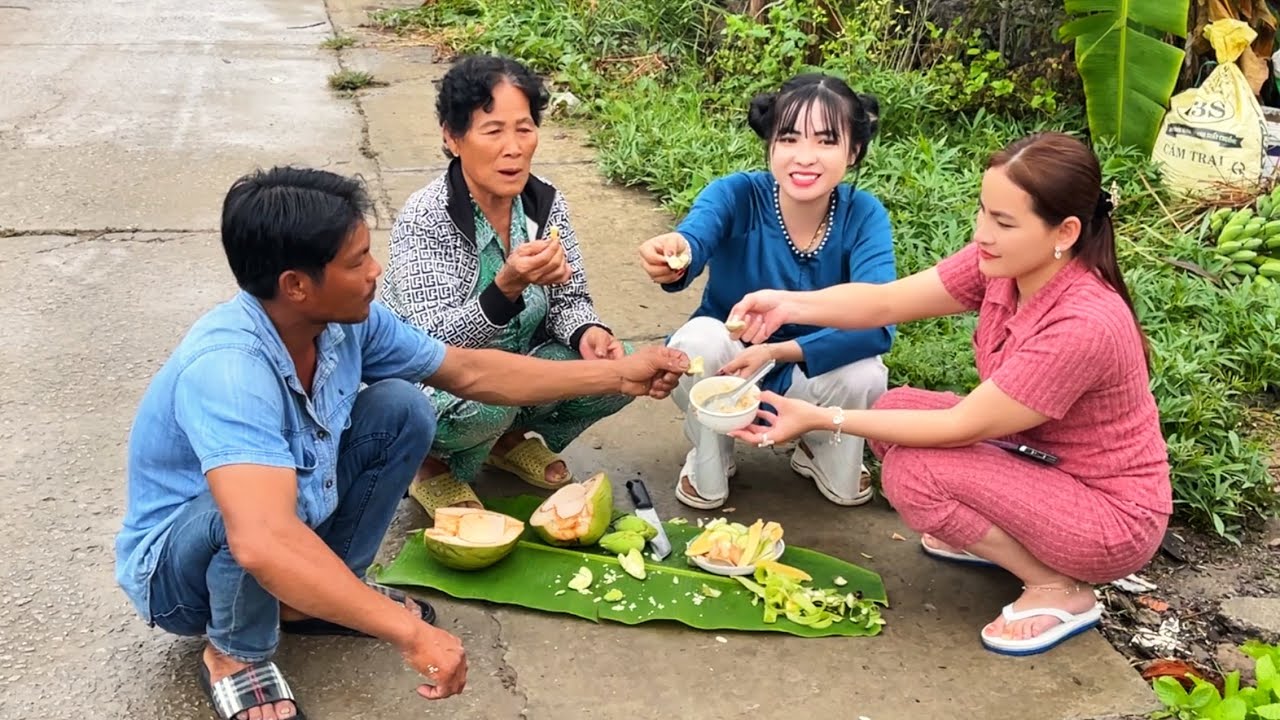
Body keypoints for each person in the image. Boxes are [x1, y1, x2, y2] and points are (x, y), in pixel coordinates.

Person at [114, 166, 689, 720]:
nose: (375, 271)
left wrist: (619, 374)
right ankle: (234, 652)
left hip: (283, 525)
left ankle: (309, 599)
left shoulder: (344, 322)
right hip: (183, 580)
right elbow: (263, 540)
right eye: (357, 260)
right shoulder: (230, 370)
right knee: (242, 511)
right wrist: (409, 634)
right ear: (296, 286)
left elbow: (467, 371)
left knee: (402, 408)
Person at [724, 131, 1171, 656]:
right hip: (1043, 461)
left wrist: (821, 417)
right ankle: (1007, 541)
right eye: (984, 212)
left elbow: (960, 426)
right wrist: (785, 305)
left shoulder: (1083, 322)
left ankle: (1059, 587)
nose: (983, 233)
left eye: (1003, 222)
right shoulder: (1005, 265)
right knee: (894, 409)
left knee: (914, 473)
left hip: (1109, 516)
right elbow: (885, 302)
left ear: (1066, 231)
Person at [381, 54, 633, 517]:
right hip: (432, 390)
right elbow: (431, 348)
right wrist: (506, 286)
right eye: (493, 130)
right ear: (452, 138)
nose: (514, 147)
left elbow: (570, 298)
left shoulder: (543, 203)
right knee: (489, 406)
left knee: (620, 372)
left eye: (524, 128)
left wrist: (586, 331)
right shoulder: (426, 217)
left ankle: (507, 441)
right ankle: (428, 464)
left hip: (518, 371)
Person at [637, 72, 896, 510]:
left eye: (827, 141)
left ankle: (824, 448)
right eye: (790, 138)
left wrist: (778, 351)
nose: (805, 157)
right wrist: (674, 252)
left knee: (866, 374)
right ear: (770, 144)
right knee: (698, 339)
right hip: (730, 368)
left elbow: (877, 322)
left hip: (812, 369)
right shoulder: (736, 194)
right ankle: (710, 455)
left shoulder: (864, 215)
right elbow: (695, 238)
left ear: (852, 150)